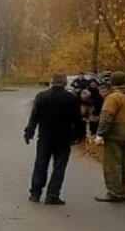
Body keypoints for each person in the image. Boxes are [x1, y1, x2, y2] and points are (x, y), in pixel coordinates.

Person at [24, 73, 85, 205]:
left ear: (52, 82)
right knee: (59, 166)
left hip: (45, 137)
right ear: (64, 83)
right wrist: (79, 136)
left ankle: (35, 193)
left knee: (40, 164)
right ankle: (52, 194)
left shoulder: (41, 97)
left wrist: (29, 132)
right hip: (63, 138)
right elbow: (77, 120)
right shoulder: (70, 99)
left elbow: (34, 117)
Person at [95, 71, 125, 203]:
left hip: (115, 134)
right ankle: (123, 191)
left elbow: (107, 117)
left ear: (112, 83)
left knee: (112, 165)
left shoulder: (113, 97)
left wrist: (100, 133)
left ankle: (114, 192)